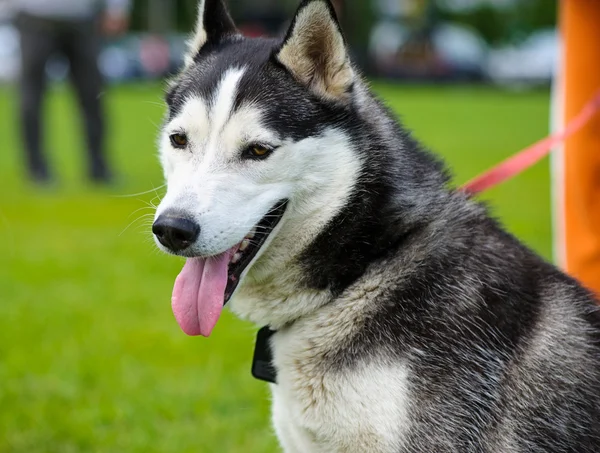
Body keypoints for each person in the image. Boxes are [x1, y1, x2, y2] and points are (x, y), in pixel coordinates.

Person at [13, 0, 131, 184]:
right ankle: (36, 168)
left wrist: (117, 9)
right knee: (31, 98)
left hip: (80, 18)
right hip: (34, 17)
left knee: (93, 95)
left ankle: (98, 166)